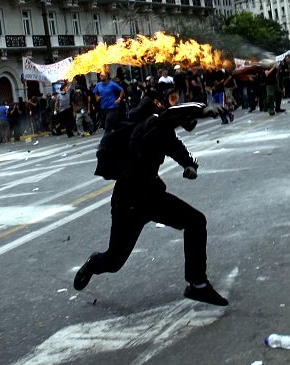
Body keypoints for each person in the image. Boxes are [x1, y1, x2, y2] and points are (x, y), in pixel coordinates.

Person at [73, 87, 229, 306]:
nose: (168, 105)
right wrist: (200, 110)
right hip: (129, 200)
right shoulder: (145, 124)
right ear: (156, 103)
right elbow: (168, 118)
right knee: (114, 260)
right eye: (166, 100)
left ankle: (198, 284)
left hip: (151, 195)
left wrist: (189, 165)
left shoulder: (161, 128)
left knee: (195, 221)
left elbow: (175, 146)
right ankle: (93, 264)